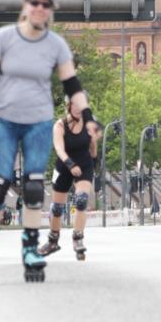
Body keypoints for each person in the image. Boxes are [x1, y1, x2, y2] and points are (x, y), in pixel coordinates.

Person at [0, 0, 101, 282]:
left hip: (38, 119)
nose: (39, 9)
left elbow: (72, 85)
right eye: (34, 3)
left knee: (34, 186)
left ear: (51, 11)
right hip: (2, 119)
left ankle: (30, 248)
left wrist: (89, 117)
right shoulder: (3, 38)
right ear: (25, 6)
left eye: (45, 5)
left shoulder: (56, 45)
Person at [39, 94, 98, 261]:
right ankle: (53, 241)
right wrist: (70, 164)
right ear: (69, 106)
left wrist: (95, 161)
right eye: (75, 105)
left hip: (84, 165)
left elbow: (93, 145)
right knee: (57, 208)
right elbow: (59, 148)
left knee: (81, 200)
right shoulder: (60, 125)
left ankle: (78, 238)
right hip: (65, 165)